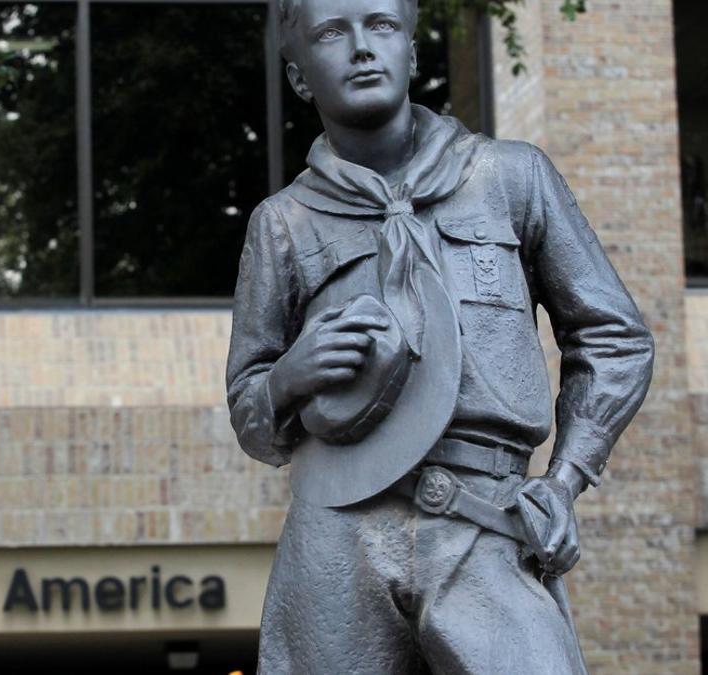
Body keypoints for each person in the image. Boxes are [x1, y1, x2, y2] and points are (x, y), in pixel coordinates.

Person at [224, 0, 655, 672]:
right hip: (337, 530)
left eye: (382, 26)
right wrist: (287, 377)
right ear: (302, 77)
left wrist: (564, 481)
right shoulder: (282, 223)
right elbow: (250, 417)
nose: (362, 48)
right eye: (333, 33)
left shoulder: (509, 177)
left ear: (413, 54)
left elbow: (614, 338)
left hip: (485, 515)